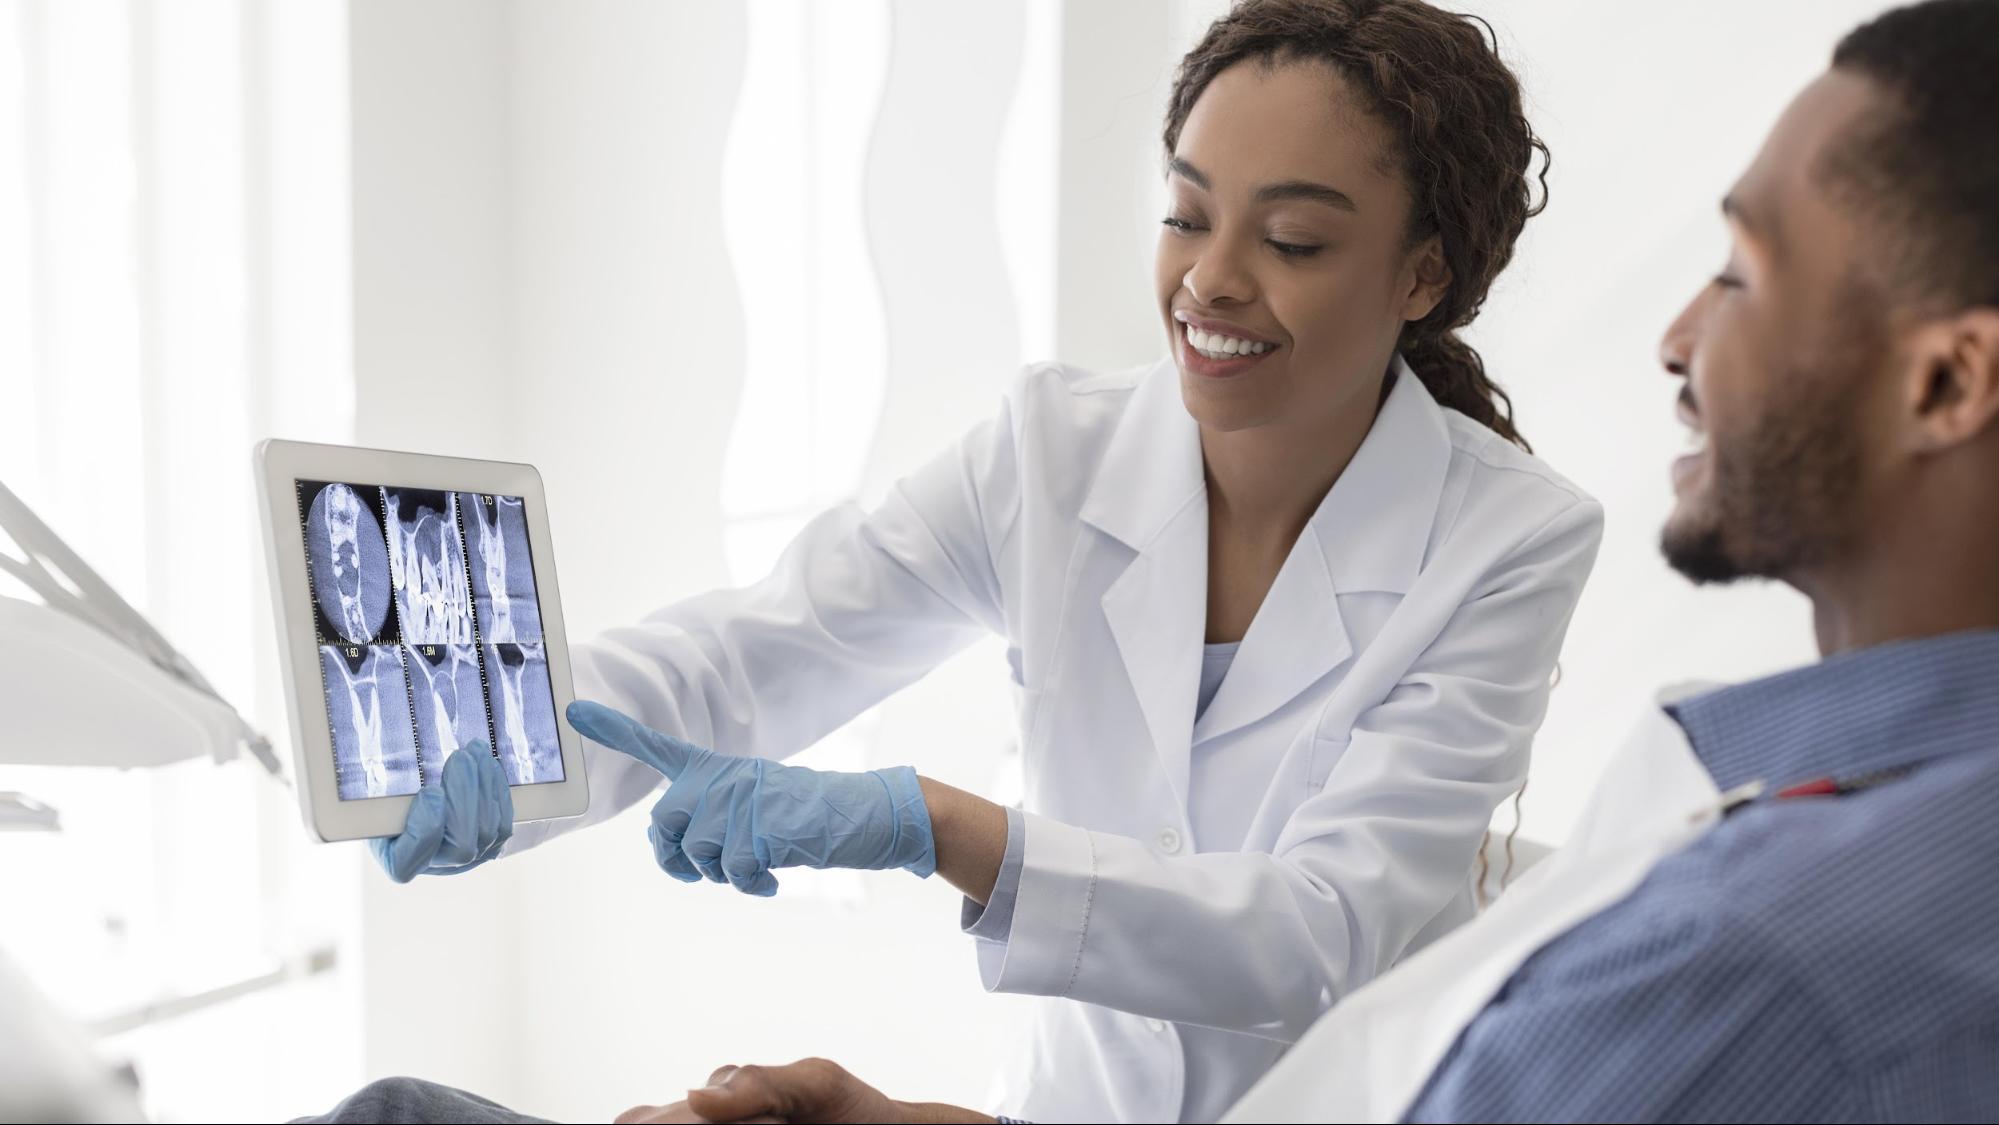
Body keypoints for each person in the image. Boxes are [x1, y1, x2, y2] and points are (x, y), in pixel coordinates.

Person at [375, 0, 1985, 1120]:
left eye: (1291, 240)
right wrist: (505, 749)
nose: (1212, 282)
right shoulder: (1053, 450)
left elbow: (1316, 931)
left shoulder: (1507, 539)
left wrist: (935, 826)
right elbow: (748, 654)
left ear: (1422, 272)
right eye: (1185, 213)